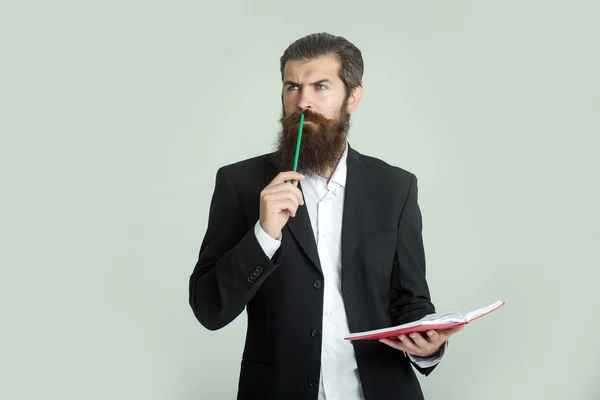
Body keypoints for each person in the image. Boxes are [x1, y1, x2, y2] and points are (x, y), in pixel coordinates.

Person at [188, 32, 463, 400]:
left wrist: (429, 348)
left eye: (320, 86)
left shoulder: (395, 188)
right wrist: (263, 235)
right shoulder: (241, 184)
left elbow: (411, 302)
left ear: (352, 98)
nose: (303, 102)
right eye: (292, 87)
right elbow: (210, 309)